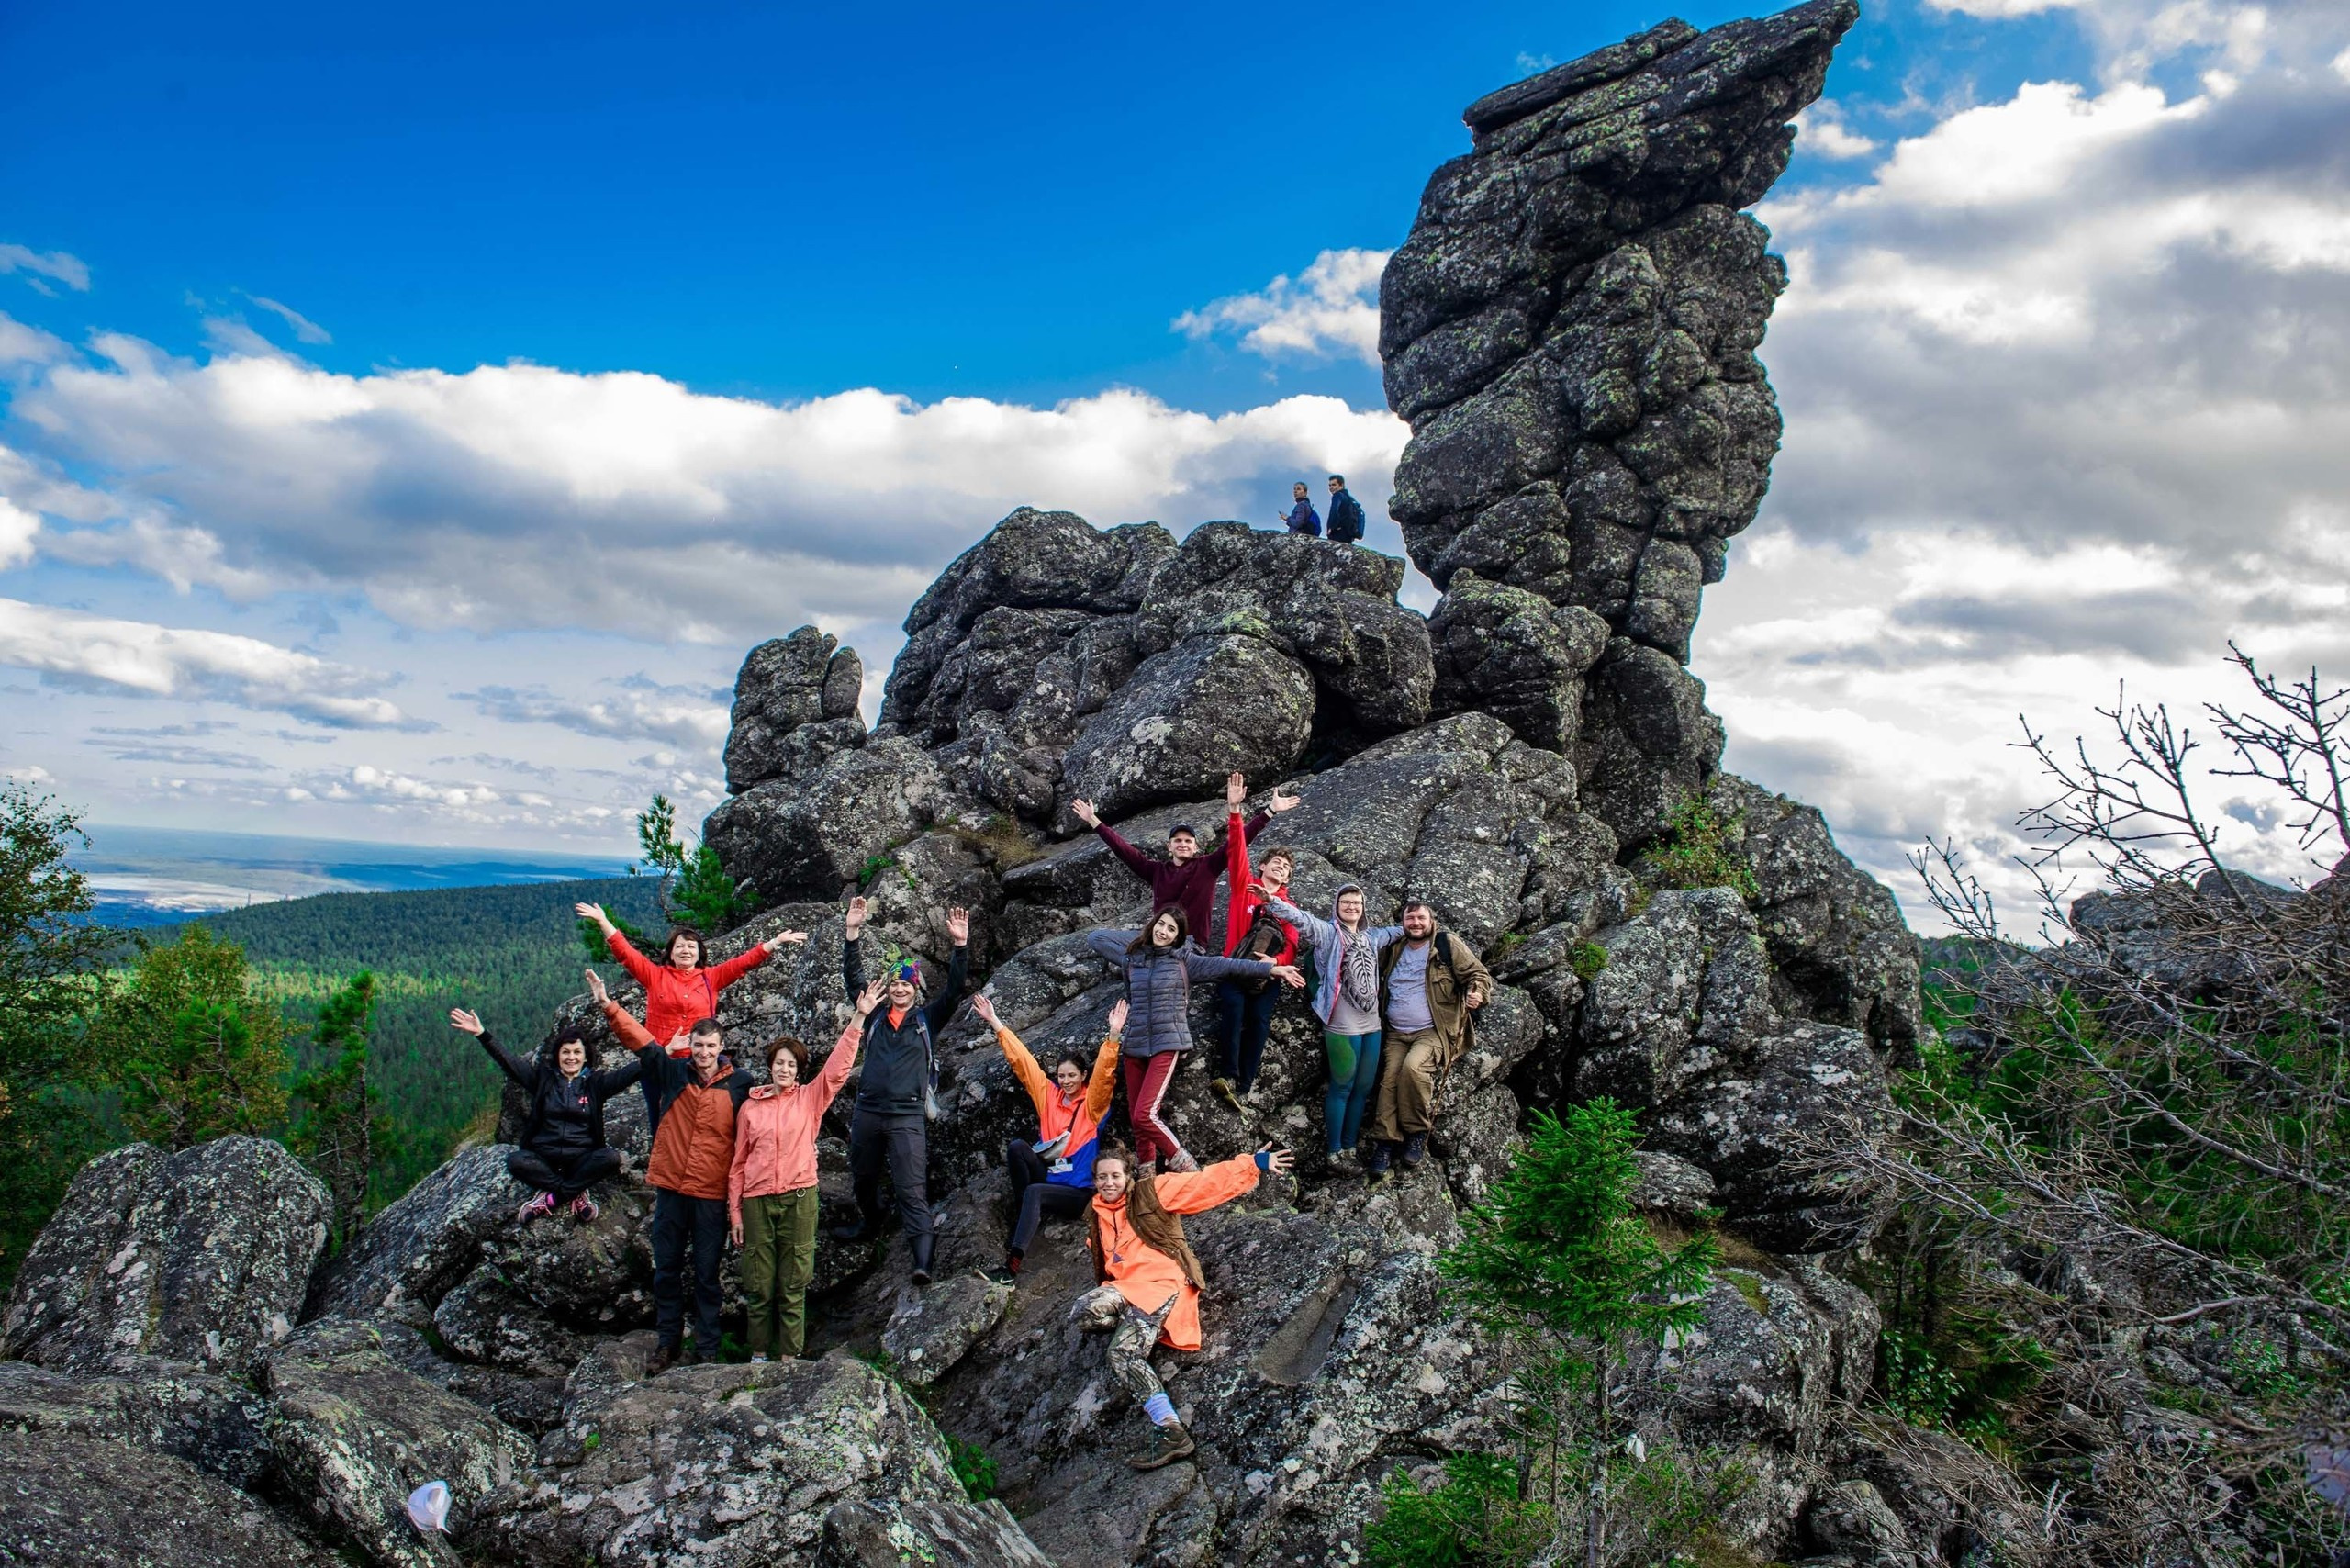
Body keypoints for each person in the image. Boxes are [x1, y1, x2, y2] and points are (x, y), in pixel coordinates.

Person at [1072, 1139, 1295, 1469]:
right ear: (1095, 1181)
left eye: (1115, 1176)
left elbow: (1203, 1184)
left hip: (1161, 1285)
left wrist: (1253, 1164)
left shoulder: (1153, 1191)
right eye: (1102, 1177)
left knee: (1122, 1353)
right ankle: (1138, 1324)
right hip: (1126, 1289)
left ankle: (1170, 1428)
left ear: (1128, 1176)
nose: (1109, 1183)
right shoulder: (1096, 1213)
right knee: (1084, 1312)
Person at [585, 969, 752, 1374]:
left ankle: (707, 1348)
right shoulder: (673, 1073)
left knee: (707, 1275)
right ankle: (667, 1343)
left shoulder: (741, 1084)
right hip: (672, 1189)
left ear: (722, 1047)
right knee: (667, 1270)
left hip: (710, 1193)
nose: (704, 1052)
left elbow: (761, 1126)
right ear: (690, 1045)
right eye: (698, 1045)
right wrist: (608, 1005)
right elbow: (641, 1042)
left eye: (711, 1045)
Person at [728, 976, 886, 1361]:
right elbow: (738, 1164)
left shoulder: (810, 1100)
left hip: (799, 1197)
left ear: (798, 1070)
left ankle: (789, 1356)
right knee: (758, 1282)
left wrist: (859, 1018)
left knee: (794, 1281)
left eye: (791, 1064)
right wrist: (735, 1212)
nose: (784, 1069)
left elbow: (836, 1070)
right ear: (770, 1067)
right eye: (779, 1063)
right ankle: (758, 1354)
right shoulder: (749, 1108)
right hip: (757, 1200)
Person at [1086, 911, 1301, 1172]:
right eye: (1161, 924)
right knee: (1136, 1118)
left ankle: (1187, 1166)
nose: (1163, 932)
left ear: (1179, 937)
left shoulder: (1184, 961)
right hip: (1135, 1043)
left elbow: (1228, 966)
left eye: (1171, 929)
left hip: (1167, 1041)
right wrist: (1141, 939)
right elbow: (1097, 939)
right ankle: (1146, 1175)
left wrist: (1271, 968)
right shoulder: (1132, 959)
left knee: (1145, 1114)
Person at [828, 897, 969, 1286]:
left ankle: (922, 1260)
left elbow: (955, 990)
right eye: (895, 984)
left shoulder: (926, 1019)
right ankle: (871, 1221)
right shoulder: (874, 1016)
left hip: (907, 1116)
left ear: (915, 989)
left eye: (906, 984)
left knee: (911, 1189)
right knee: (863, 1177)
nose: (900, 989)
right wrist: (852, 933)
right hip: (869, 1111)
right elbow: (853, 980)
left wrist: (960, 945)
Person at [575, 902, 806, 1135]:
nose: (685, 950)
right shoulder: (655, 975)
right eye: (680, 946)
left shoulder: (711, 978)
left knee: (697, 1122)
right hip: (660, 1060)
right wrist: (603, 921)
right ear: (670, 952)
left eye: (691, 946)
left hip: (699, 1063)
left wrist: (774, 942)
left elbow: (743, 963)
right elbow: (626, 954)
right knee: (660, 1120)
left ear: (699, 953)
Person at [969, 991, 1125, 1284]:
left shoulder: (1092, 1107)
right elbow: (1023, 1062)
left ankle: (1010, 1269)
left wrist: (1114, 1035)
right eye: (1061, 1076)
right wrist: (995, 1022)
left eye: (1072, 1076)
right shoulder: (1049, 1097)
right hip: (1051, 1175)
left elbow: (1104, 1077)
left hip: (1078, 1192)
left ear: (1083, 1076)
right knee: (1017, 1148)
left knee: (1035, 1192)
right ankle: (1025, 1217)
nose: (1066, 1081)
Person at [451, 1009, 641, 1223]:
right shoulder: (543, 1080)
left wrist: (663, 1052)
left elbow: (633, 1072)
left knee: (610, 1158)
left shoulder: (595, 1085)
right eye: (566, 1052)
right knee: (516, 1161)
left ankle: (551, 1199)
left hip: (581, 1159)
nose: (571, 1057)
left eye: (577, 1052)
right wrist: (482, 1034)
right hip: (545, 1159)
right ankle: (574, 1191)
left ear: (586, 1056)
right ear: (558, 1055)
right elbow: (510, 1063)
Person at [1259, 883, 1404, 1163]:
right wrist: (1272, 901)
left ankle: (1350, 1146)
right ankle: (1334, 1151)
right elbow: (1302, 919)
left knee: (1363, 1088)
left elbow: (1396, 932)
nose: (1351, 906)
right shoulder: (1328, 933)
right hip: (1341, 1025)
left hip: (1371, 1025)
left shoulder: (1372, 937)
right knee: (1342, 1086)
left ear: (1363, 907)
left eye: (1356, 902)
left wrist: (1420, 925)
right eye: (1345, 902)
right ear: (1336, 906)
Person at [1361, 899, 1493, 1182]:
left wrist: (1477, 993)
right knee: (1389, 1081)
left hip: (1433, 1030)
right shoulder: (1394, 948)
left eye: (1421, 918)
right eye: (1410, 919)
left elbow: (1477, 974)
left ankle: (1416, 1132)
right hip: (1396, 1031)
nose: (1416, 923)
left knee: (1413, 1069)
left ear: (1431, 921)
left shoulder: (1446, 945)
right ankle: (1386, 1142)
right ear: (1403, 923)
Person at [1069, 782, 1293, 945]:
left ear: (1195, 847)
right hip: (1158, 940)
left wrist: (1269, 811)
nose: (1183, 844)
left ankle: (1148, 962)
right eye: (1177, 841)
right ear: (1169, 846)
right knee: (1098, 938)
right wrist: (1093, 820)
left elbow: (1238, 843)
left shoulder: (1208, 866)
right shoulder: (1156, 871)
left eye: (1188, 841)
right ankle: (1142, 959)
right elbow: (1123, 850)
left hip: (1189, 944)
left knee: (1167, 960)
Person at [1211, 772, 1302, 1113]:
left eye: (1286, 868)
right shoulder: (1244, 886)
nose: (1281, 867)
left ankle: (1246, 1085)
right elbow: (1236, 850)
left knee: (1260, 1021)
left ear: (1288, 879)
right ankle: (1228, 1075)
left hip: (1267, 975)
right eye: (1276, 862)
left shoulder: (1289, 907)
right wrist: (1236, 811)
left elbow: (1292, 944)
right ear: (1262, 866)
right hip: (1235, 967)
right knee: (1233, 1009)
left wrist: (1276, 963)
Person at [1325, 475, 1366, 544]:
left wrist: (1331, 527)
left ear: (1341, 485)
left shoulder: (1338, 496)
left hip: (1338, 533)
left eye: (1334, 485)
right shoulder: (1350, 499)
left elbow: (1334, 511)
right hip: (1348, 535)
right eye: (1330, 485)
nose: (1331, 487)